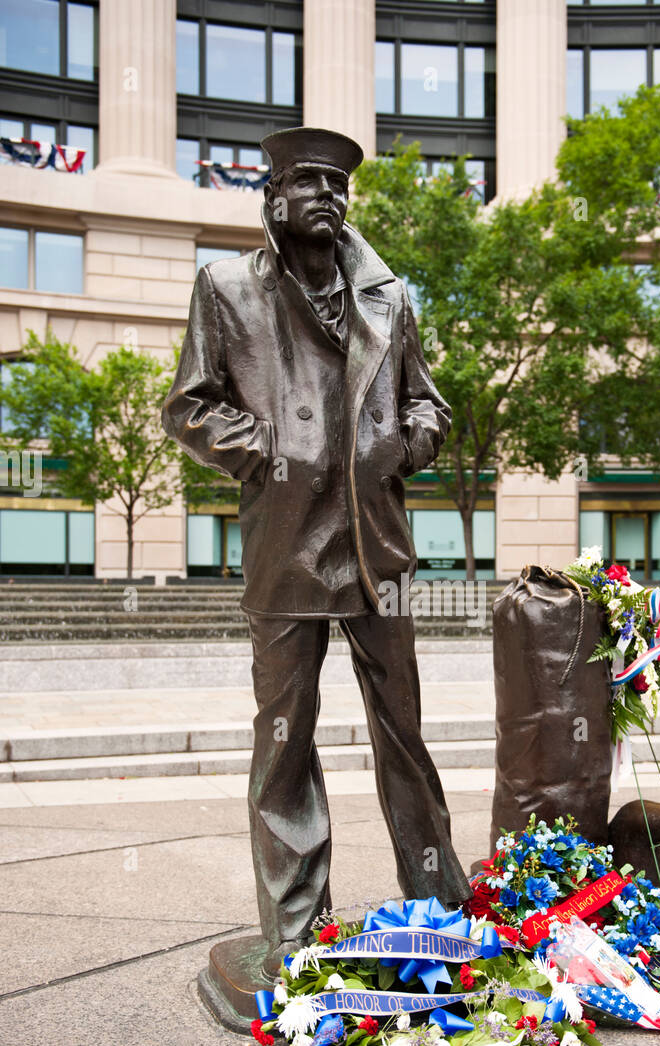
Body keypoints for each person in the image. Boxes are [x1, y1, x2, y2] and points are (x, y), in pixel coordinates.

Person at [163, 127, 471, 973]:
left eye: (336, 185)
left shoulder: (387, 297)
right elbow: (188, 407)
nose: (326, 197)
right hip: (288, 548)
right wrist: (262, 450)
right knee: (286, 743)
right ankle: (298, 933)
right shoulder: (226, 288)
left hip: (380, 550)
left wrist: (408, 440)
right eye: (307, 183)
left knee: (404, 735)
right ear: (273, 198)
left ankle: (440, 910)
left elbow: (429, 404)